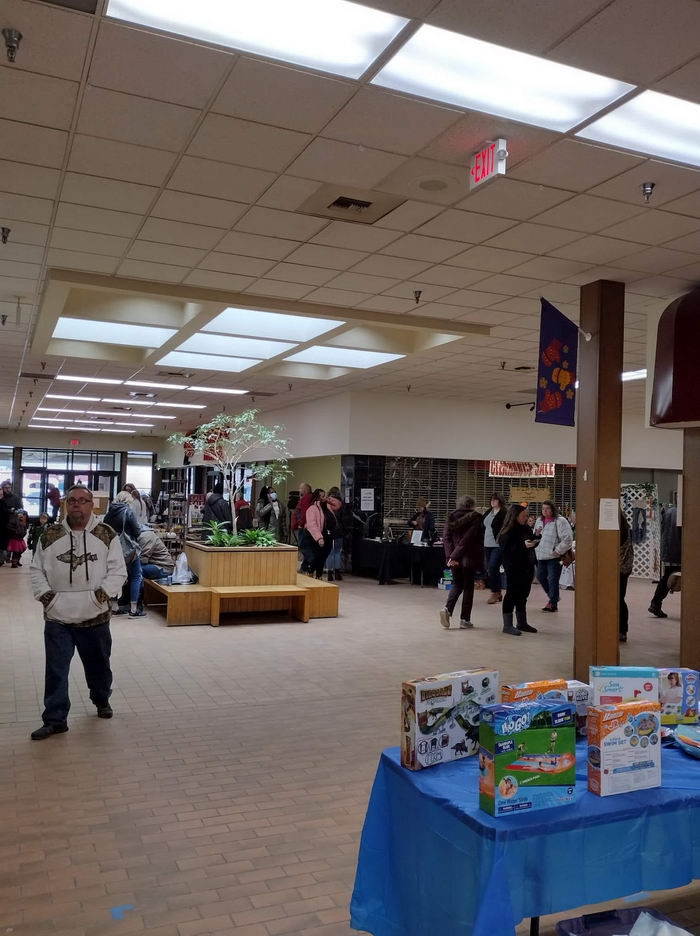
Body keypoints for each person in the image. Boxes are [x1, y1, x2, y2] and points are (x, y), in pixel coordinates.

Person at [30, 485, 127, 740]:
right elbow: (36, 570)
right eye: (72, 500)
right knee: (56, 670)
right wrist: (47, 598)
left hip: (95, 618)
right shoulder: (49, 534)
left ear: (91, 505)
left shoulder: (106, 534)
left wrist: (100, 597)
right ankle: (55, 719)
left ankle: (101, 699)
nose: (77, 505)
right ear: (65, 504)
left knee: (98, 667)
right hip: (57, 618)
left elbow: (118, 571)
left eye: (83, 500)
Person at [440, 496, 484, 630]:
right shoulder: (475, 517)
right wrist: (455, 556)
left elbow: (446, 538)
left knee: (457, 584)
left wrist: (450, 557)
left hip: (453, 558)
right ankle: (465, 619)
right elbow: (467, 539)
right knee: (468, 588)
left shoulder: (451, 517)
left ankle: (447, 609)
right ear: (472, 505)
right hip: (468, 558)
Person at [498, 503, 539, 636]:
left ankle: (522, 622)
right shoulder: (507, 531)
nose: (526, 518)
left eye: (527, 516)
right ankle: (507, 624)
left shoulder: (526, 528)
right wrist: (523, 545)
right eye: (523, 516)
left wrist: (537, 537)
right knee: (512, 594)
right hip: (513, 566)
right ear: (515, 516)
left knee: (523, 595)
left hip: (527, 565)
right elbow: (507, 550)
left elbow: (530, 542)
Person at [104, 499, 146, 617]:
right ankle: (133, 609)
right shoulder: (128, 512)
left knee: (114, 575)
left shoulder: (108, 514)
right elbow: (137, 532)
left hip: (113, 549)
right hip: (128, 550)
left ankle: (114, 606)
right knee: (136, 576)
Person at [533, 501, 573, 612]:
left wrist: (557, 551)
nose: (545, 511)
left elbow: (568, 539)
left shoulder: (560, 521)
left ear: (553, 509)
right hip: (541, 555)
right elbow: (536, 536)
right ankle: (553, 597)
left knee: (552, 579)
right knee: (540, 576)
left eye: (547, 508)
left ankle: (553, 602)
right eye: (543, 509)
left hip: (554, 556)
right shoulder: (539, 521)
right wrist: (535, 538)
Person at [649, 504, 681, 619]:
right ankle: (655, 604)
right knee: (669, 578)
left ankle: (655, 604)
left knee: (667, 577)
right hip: (678, 550)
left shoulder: (669, 511)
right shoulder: (682, 513)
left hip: (668, 549)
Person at [305, 489, 342, 579]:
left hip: (328, 535)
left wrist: (329, 499)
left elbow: (338, 505)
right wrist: (319, 538)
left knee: (324, 555)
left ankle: (319, 575)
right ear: (317, 497)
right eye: (323, 496)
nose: (325, 497)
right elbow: (312, 525)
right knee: (318, 555)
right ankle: (312, 570)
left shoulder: (328, 506)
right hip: (317, 535)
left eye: (325, 495)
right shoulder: (312, 509)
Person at [482, 493, 506, 604]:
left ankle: (494, 592)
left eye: (495, 500)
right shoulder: (488, 512)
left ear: (500, 501)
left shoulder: (504, 513)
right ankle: (498, 592)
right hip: (487, 544)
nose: (493, 502)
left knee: (493, 567)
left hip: (498, 545)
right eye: (491, 500)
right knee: (491, 569)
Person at [325, 486, 349, 582]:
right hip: (339, 531)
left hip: (329, 530)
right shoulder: (341, 504)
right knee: (337, 552)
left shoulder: (326, 503)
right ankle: (337, 573)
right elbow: (344, 519)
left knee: (329, 552)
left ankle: (330, 573)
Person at [0, 479, 23, 566]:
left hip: (13, 523)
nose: (7, 489)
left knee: (13, 542)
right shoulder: (1, 498)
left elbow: (21, 510)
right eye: (5, 488)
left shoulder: (16, 499)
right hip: (3, 523)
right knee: (3, 542)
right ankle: (3, 558)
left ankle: (12, 559)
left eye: (9, 487)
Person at [619, 509, 634, 643]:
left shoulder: (622, 531)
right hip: (622, 568)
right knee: (619, 598)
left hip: (621, 568)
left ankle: (622, 629)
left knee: (619, 598)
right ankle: (622, 630)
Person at [293, 482, 314, 573]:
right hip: (305, 526)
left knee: (303, 547)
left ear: (305, 490)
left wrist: (301, 523)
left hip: (304, 526)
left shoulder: (306, 498)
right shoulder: (306, 498)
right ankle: (304, 567)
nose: (299, 490)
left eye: (300, 488)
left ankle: (313, 562)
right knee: (306, 546)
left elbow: (305, 512)